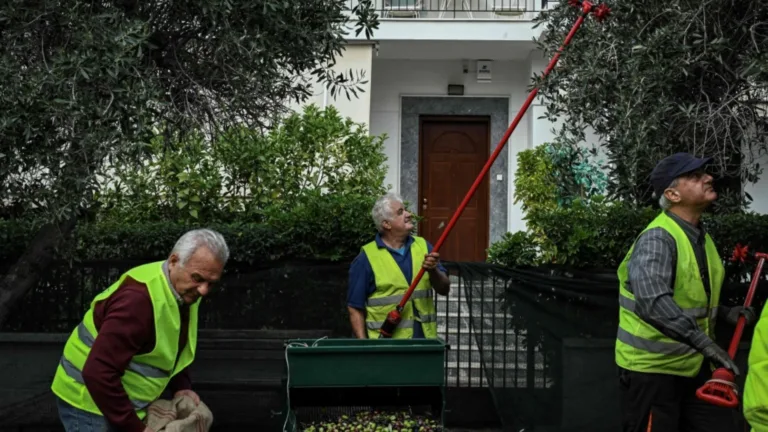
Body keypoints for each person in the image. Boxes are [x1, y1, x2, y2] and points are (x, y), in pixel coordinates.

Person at [614, 152, 756, 432]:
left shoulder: (699, 236)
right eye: (694, 176)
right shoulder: (657, 239)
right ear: (673, 195)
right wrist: (706, 345)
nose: (709, 178)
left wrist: (725, 312)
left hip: (693, 367)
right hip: (653, 373)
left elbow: (687, 295)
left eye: (704, 173)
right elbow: (653, 303)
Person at [50, 228, 230, 432]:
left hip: (118, 400)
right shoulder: (138, 301)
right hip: (88, 403)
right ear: (173, 261)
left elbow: (172, 345)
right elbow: (98, 372)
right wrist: (135, 428)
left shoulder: (183, 290)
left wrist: (181, 387)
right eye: (198, 278)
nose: (204, 290)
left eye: (211, 283)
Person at [347, 192, 451, 339]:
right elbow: (354, 308)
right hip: (387, 347)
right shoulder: (367, 258)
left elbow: (444, 289)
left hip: (424, 343)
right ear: (386, 224)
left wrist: (433, 270)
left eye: (406, 210)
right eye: (400, 212)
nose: (409, 214)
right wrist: (365, 347)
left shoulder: (423, 246)